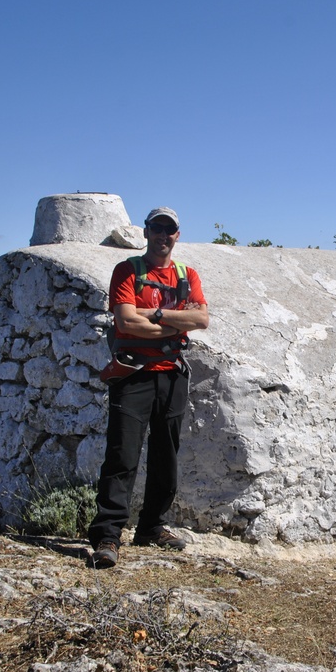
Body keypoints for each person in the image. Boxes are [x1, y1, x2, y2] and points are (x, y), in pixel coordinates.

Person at [88, 207, 209, 569]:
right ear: (146, 232)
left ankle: (151, 527)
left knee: (165, 457)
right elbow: (125, 320)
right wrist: (173, 326)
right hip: (133, 373)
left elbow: (201, 318)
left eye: (168, 230)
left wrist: (154, 316)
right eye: (156, 228)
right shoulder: (127, 271)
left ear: (177, 235)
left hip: (172, 373)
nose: (162, 235)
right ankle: (108, 535)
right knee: (122, 455)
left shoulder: (187, 275)